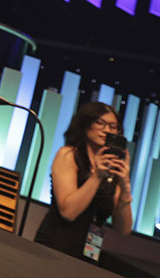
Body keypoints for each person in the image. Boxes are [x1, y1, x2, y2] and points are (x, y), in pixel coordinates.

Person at [34, 102, 133, 260]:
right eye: (99, 123)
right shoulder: (69, 155)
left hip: (89, 254)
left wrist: (125, 187)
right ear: (85, 124)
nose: (107, 130)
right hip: (55, 247)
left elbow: (124, 229)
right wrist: (97, 176)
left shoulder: (113, 168)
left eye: (113, 126)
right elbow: (68, 212)